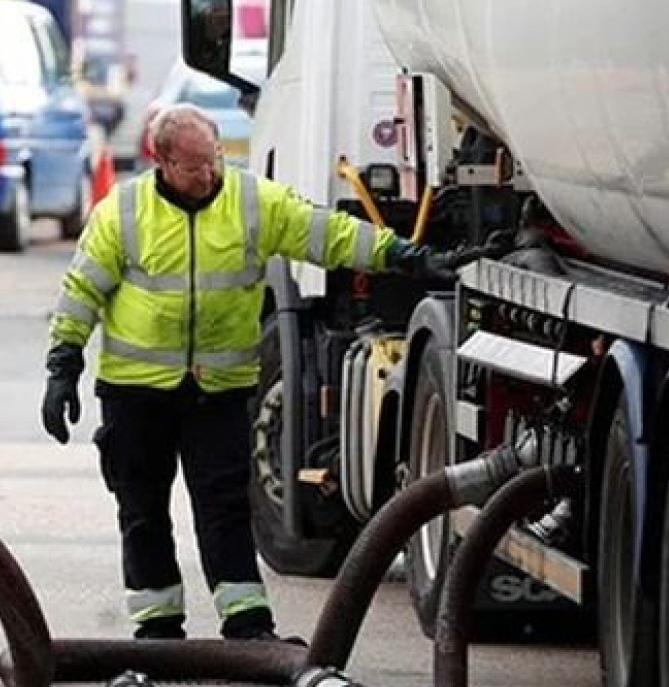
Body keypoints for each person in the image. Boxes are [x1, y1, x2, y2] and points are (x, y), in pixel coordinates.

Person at [42, 104, 493, 640]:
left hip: (218, 392)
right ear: (160, 160)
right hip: (138, 393)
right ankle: (158, 626)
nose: (208, 174)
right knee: (142, 510)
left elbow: (326, 233)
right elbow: (81, 292)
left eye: (213, 160)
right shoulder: (123, 213)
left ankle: (247, 622)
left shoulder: (249, 201)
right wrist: (63, 365)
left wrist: (409, 258)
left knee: (226, 508)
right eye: (193, 166)